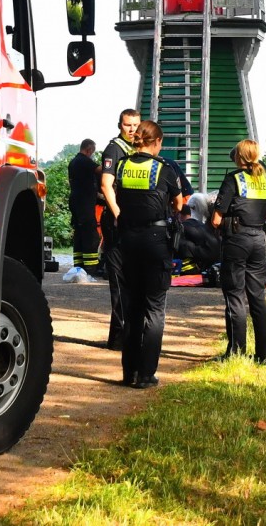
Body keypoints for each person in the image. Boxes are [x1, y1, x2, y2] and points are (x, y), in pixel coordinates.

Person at [104, 120, 184, 388]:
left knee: (132, 308)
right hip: (155, 240)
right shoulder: (165, 168)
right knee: (154, 308)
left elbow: (112, 191)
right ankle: (147, 374)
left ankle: (130, 373)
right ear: (157, 142)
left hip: (128, 241)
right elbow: (179, 202)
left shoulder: (123, 165)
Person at [211, 139, 266, 364]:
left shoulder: (233, 179)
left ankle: (236, 352)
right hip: (259, 240)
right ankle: (264, 355)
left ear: (239, 157)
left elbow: (217, 219)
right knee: (257, 297)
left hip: (236, 240)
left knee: (235, 295)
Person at [99, 108, 140, 349]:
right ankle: (118, 338)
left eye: (136, 124)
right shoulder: (114, 149)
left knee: (133, 280)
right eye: (128, 125)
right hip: (118, 221)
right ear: (120, 125)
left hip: (135, 222)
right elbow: (106, 185)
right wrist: (119, 215)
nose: (132, 129)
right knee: (119, 281)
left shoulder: (137, 149)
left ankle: (127, 334)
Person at [66, 139, 101, 281]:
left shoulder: (73, 162)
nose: (92, 154)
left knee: (79, 234)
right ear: (88, 149)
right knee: (90, 235)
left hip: (76, 201)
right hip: (85, 203)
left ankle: (79, 265)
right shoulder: (84, 161)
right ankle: (91, 268)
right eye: (92, 151)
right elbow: (101, 170)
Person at [173, 204, 221, 276]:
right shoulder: (199, 223)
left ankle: (189, 267)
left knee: (178, 241)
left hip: (206, 254)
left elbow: (176, 245)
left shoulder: (183, 226)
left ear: (179, 214)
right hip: (217, 254)